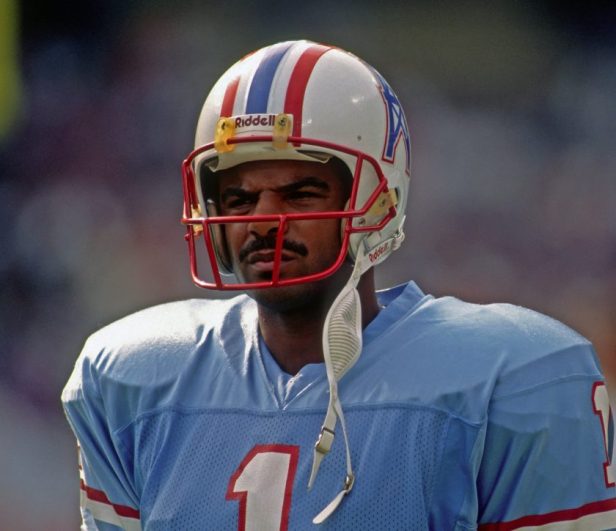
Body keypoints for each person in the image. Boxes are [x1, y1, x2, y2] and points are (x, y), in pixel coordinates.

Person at [62, 40, 616, 530]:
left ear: (380, 201)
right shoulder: (134, 379)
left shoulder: (512, 378)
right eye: (239, 198)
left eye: (301, 193)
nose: (263, 220)